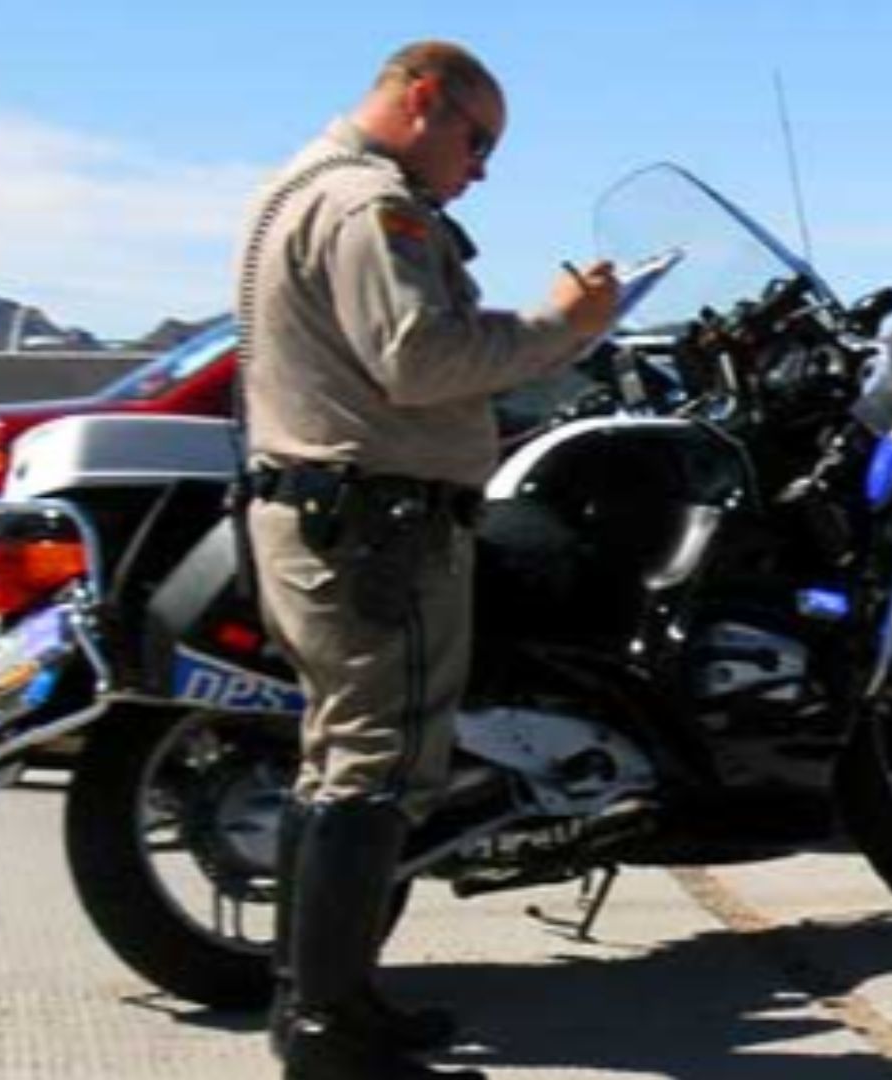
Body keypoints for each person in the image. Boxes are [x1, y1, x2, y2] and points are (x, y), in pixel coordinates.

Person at [236, 40, 618, 1080]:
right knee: (378, 769)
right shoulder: (373, 205)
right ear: (423, 101)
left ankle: (323, 1003)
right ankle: (327, 1034)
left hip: (333, 519)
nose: (480, 169)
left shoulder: (301, 187)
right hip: (377, 532)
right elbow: (418, 358)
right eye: (477, 141)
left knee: (336, 764)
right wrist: (560, 326)